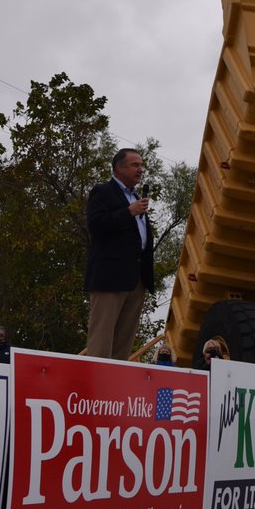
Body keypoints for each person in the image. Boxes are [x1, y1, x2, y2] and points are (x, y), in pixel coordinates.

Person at [84, 148, 155, 360]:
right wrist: (129, 212)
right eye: (135, 165)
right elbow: (96, 225)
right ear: (119, 167)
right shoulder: (103, 191)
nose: (140, 169)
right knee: (102, 338)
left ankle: (114, 387)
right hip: (110, 277)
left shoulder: (134, 196)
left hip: (136, 278)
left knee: (124, 341)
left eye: (141, 165)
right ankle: (95, 385)